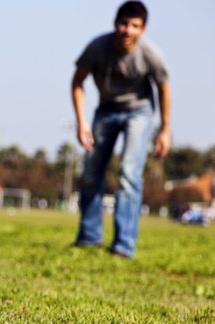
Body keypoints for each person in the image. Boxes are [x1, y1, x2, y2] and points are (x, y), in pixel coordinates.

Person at [70, 1, 171, 258]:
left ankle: (124, 244)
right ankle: (89, 237)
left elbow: (163, 89)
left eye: (135, 26)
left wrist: (165, 129)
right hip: (106, 110)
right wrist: (81, 122)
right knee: (92, 171)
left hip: (139, 112)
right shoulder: (98, 47)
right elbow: (78, 82)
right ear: (116, 23)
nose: (128, 30)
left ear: (143, 28)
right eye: (124, 24)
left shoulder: (150, 53)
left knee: (128, 173)